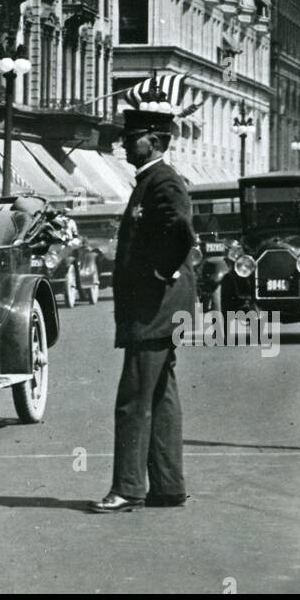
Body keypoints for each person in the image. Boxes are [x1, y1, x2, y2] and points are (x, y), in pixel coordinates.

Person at [90, 101, 197, 513]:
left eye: (133, 138)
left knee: (134, 398)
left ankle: (128, 487)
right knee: (160, 395)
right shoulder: (150, 180)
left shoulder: (163, 181)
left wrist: (158, 275)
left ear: (154, 141)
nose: (125, 143)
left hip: (154, 308)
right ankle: (168, 486)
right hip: (158, 309)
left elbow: (180, 232)